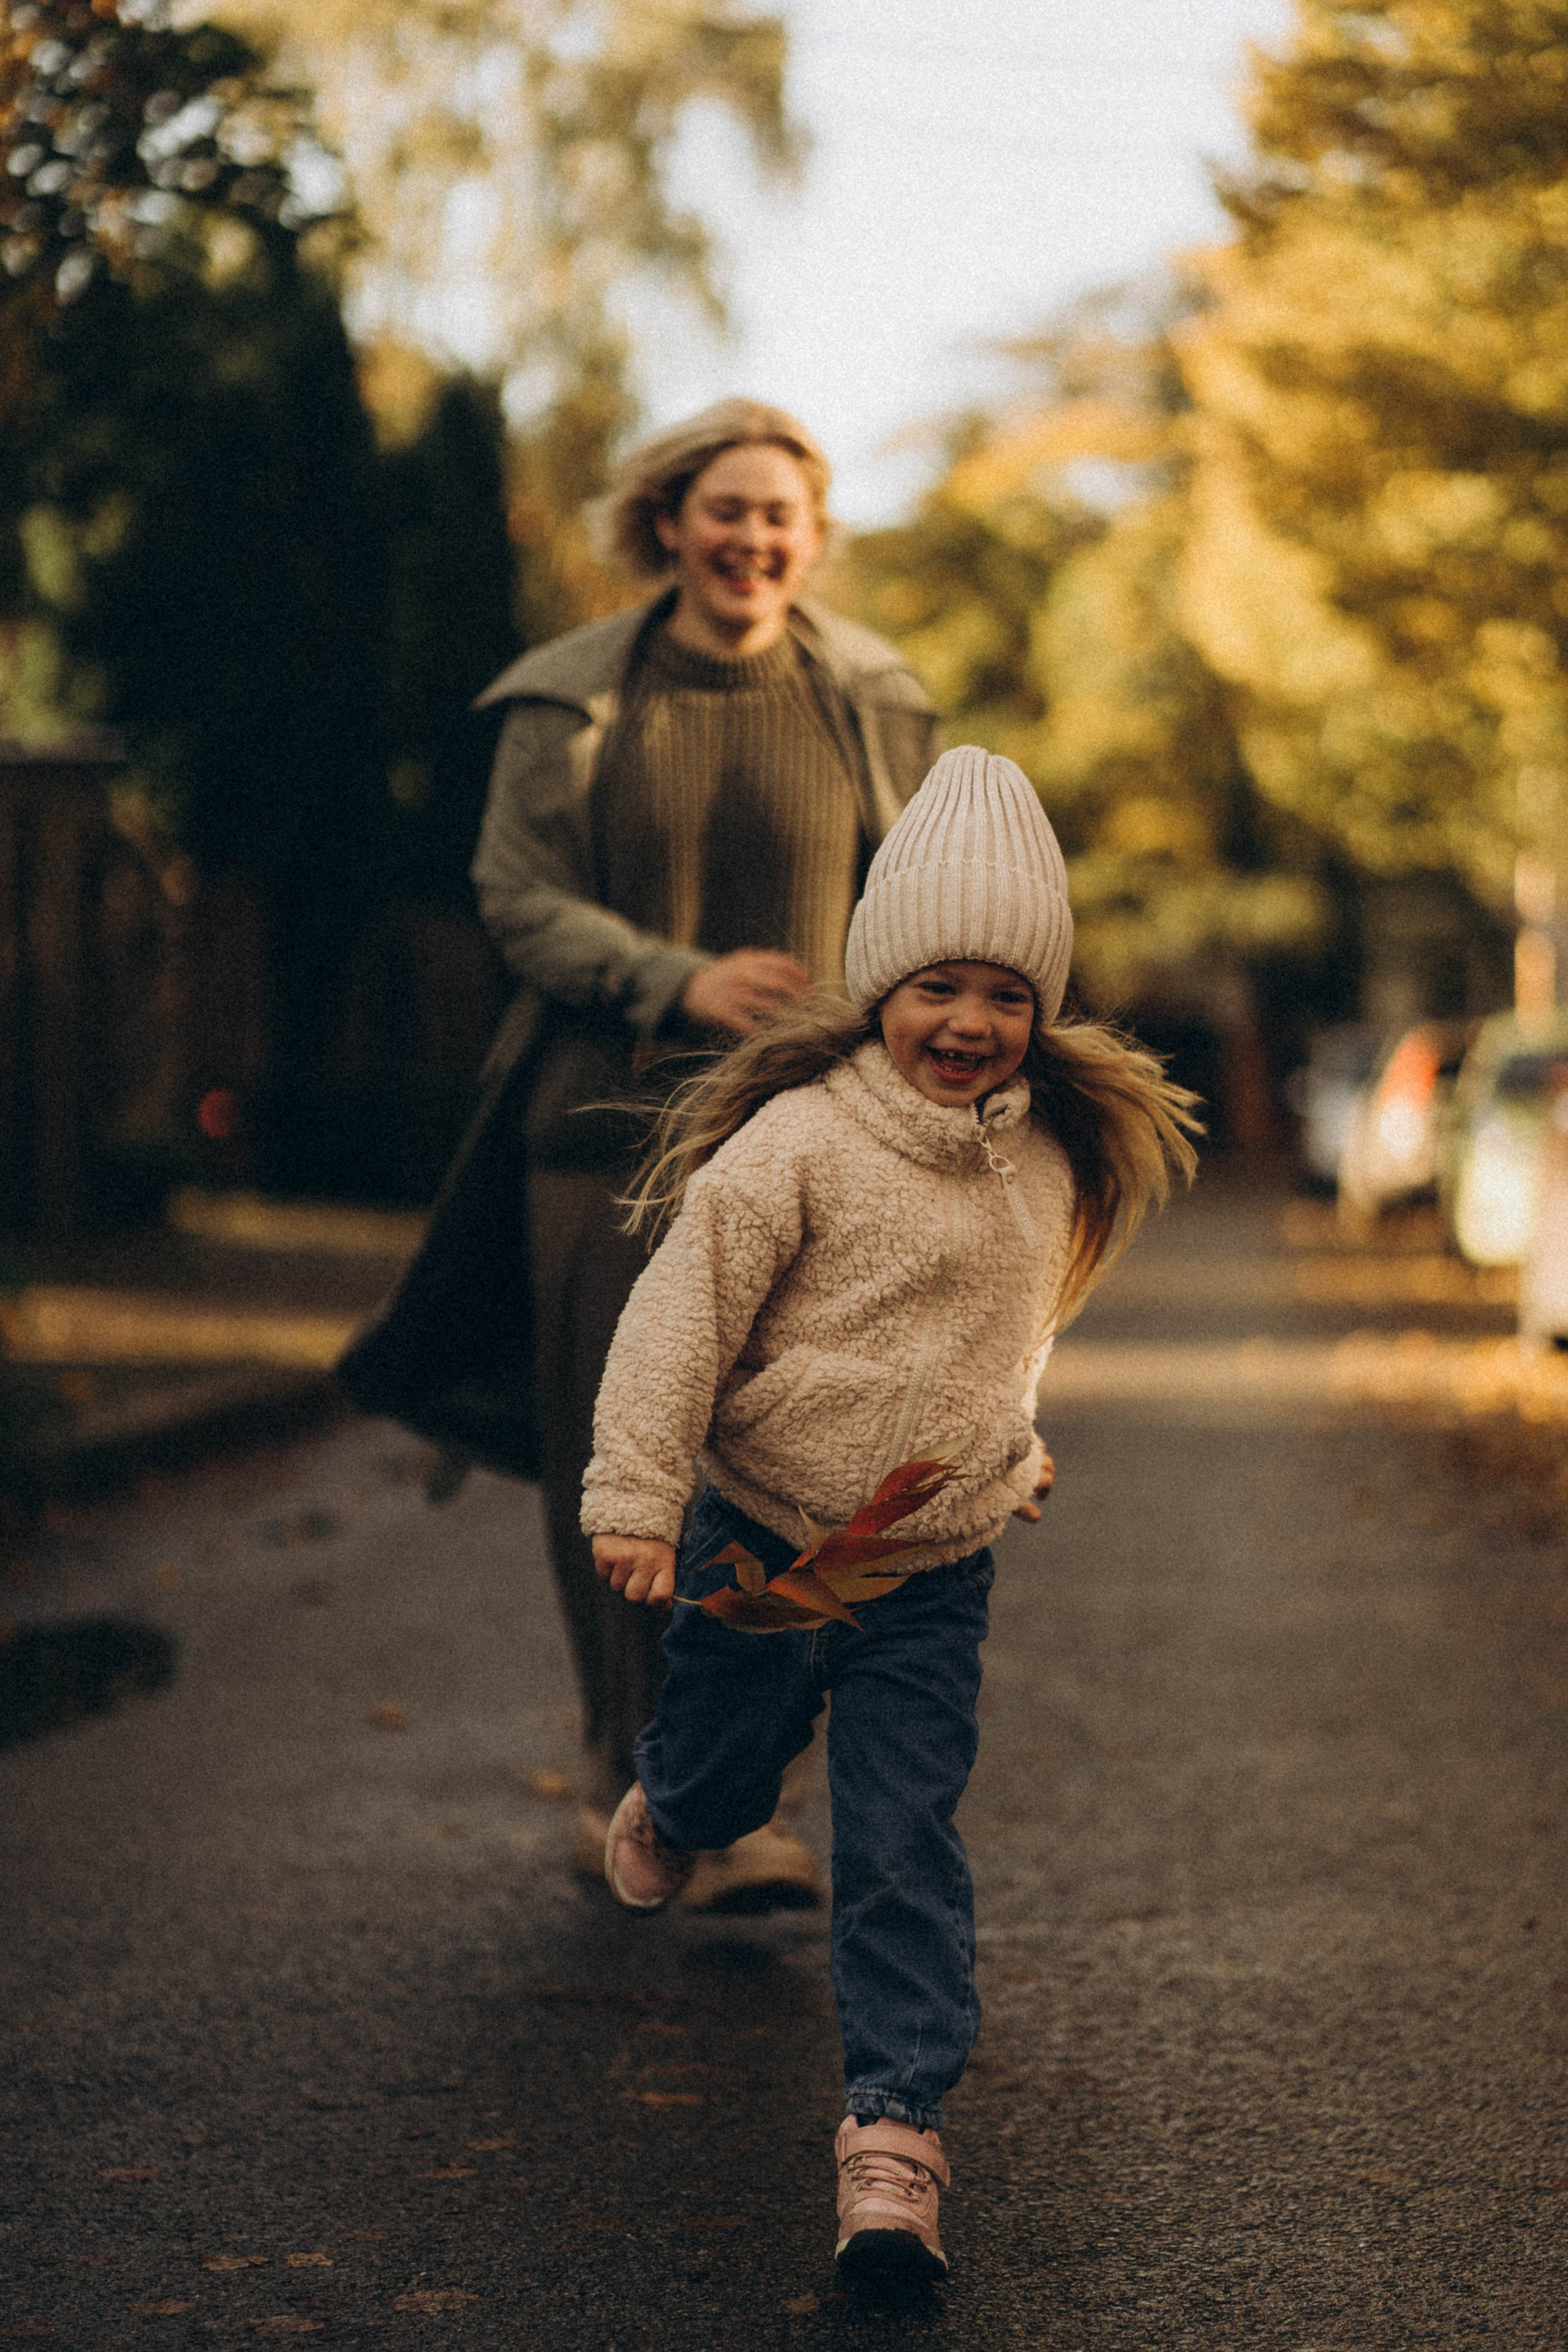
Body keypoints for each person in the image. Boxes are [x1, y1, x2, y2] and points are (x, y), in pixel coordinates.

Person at [581, 747, 1199, 2286]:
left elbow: (1010, 1334)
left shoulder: (1043, 1161)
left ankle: (893, 2140)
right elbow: (677, 1321)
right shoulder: (797, 1143)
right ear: (879, 992)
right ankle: (678, 1801)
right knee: (726, 1775)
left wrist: (1010, 1449)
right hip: (760, 1542)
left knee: (900, 1837)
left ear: (1039, 1011)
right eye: (937, 987)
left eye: (1005, 994)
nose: (969, 1022)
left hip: (926, 1575)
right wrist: (638, 1497)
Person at [341, 399, 939, 1912]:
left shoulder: (874, 698)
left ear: (811, 537)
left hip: (813, 1144)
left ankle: (731, 1792)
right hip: (599, 1141)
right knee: (633, 1468)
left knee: (794, 1461)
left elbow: (924, 902)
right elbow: (514, 894)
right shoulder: (569, 702)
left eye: (779, 514)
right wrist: (675, 979)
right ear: (666, 524)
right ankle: (639, 1774)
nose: (752, 538)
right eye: (723, 508)